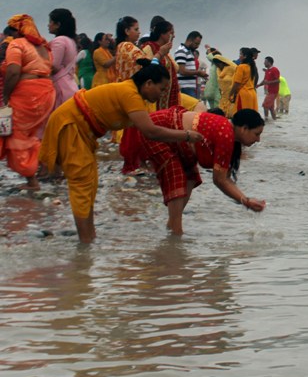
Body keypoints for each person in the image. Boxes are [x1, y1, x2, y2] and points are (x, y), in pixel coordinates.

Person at [39, 61, 203, 243]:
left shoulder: (134, 95)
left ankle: (89, 237)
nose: (162, 94)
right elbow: (150, 131)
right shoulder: (130, 94)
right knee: (82, 184)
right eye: (161, 89)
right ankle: (85, 242)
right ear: (148, 83)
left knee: (90, 183)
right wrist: (186, 135)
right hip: (70, 125)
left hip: (83, 132)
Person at [119, 107, 266, 235]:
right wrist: (245, 201)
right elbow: (220, 180)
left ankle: (172, 227)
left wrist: (245, 200)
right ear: (244, 129)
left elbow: (225, 178)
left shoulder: (229, 135)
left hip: (176, 139)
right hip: (159, 129)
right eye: (256, 134)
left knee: (190, 177)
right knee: (177, 177)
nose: (258, 139)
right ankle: (175, 233)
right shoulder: (226, 134)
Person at [1, 15, 57, 189]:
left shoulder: (17, 44)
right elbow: (51, 69)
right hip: (46, 92)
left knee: (16, 134)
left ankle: (31, 179)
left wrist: (5, 96)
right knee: (31, 134)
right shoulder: (44, 47)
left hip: (27, 94)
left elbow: (13, 72)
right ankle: (41, 168)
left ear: (17, 31)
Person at [140, 20, 180, 110]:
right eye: (171, 33)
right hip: (155, 98)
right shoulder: (149, 48)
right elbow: (148, 69)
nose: (173, 36)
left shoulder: (165, 52)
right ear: (162, 34)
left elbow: (176, 68)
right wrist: (160, 54)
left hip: (169, 96)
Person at [48, 8, 80, 111]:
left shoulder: (59, 41)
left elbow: (54, 66)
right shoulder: (70, 41)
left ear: (58, 24)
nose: (48, 25)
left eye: (50, 22)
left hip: (61, 86)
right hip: (70, 84)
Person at [174, 30, 206, 98]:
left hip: (189, 87)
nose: (197, 46)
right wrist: (198, 72)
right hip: (184, 87)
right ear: (190, 40)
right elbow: (182, 71)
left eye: (198, 44)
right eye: (196, 44)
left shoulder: (189, 52)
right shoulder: (181, 51)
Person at [114, 16, 146, 83]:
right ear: (127, 31)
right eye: (136, 29)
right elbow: (145, 62)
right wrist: (160, 53)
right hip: (129, 85)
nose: (139, 32)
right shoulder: (126, 46)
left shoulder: (120, 46)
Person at [227, 48, 258, 113]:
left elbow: (237, 83)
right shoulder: (252, 67)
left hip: (243, 95)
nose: (239, 56)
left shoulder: (241, 67)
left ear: (245, 56)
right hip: (252, 93)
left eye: (240, 54)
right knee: (251, 115)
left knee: (241, 115)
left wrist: (230, 94)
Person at [260, 56, 280, 121]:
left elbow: (278, 80)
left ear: (269, 62)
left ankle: (266, 120)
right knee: (271, 108)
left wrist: (269, 82)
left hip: (273, 92)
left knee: (265, 105)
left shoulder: (275, 69)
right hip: (269, 92)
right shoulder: (267, 70)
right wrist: (258, 85)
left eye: (265, 62)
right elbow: (264, 81)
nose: (264, 63)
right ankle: (274, 121)